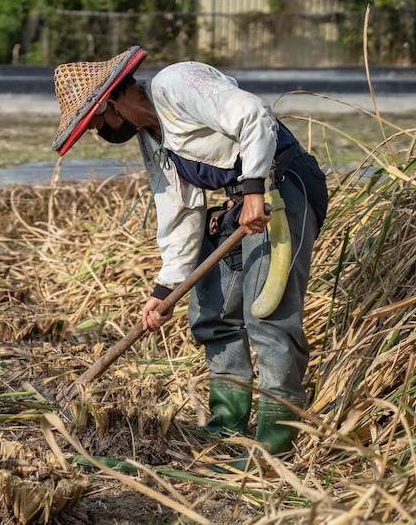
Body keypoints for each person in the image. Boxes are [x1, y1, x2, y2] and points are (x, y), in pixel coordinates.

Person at [51, 47, 328, 466]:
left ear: (108, 103)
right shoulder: (153, 141)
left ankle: (276, 440)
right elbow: (177, 210)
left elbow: (253, 115)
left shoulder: (175, 84)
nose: (99, 132)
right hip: (242, 205)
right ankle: (227, 424)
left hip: (282, 186)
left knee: (267, 314)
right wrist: (165, 289)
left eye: (95, 123)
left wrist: (253, 190)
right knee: (211, 313)